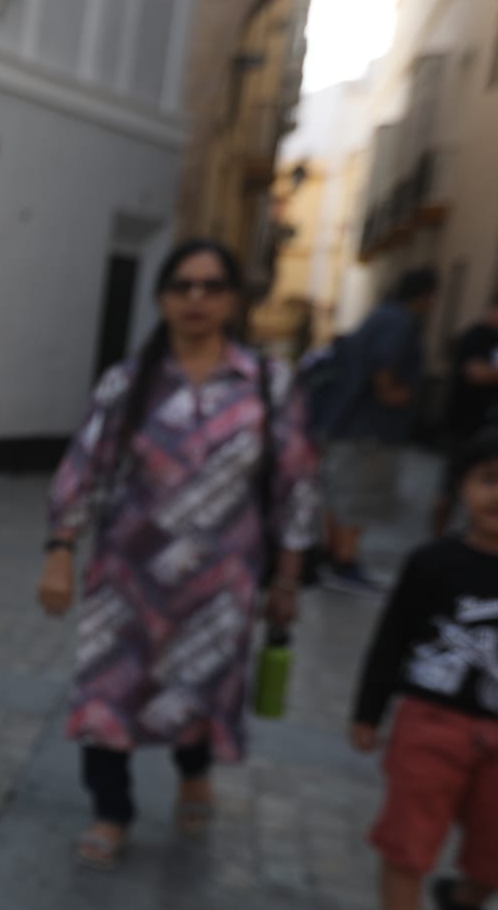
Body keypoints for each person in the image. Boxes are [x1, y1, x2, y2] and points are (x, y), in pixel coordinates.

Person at [39, 239, 320, 870]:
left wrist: (289, 582)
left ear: (233, 299)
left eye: (212, 286)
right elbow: (83, 467)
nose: (196, 298)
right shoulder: (128, 382)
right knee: (108, 691)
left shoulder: (268, 385)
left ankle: (196, 773)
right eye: (182, 286)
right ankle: (112, 811)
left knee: (201, 685)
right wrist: (61, 549)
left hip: (223, 582)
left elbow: (297, 485)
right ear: (163, 298)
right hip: (127, 576)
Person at [351, 427, 498, 910]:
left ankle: (463, 902)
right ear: (462, 486)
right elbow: (392, 639)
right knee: (410, 836)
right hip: (430, 724)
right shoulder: (433, 562)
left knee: (493, 850)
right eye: (489, 479)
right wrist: (369, 710)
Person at [321, 267, 438, 592]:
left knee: (342, 493)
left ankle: (333, 556)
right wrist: (393, 394)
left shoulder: (381, 316)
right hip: (372, 429)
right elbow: (383, 365)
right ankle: (344, 562)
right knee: (359, 496)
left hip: (351, 423)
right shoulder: (399, 322)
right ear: (427, 295)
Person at [430, 293, 498, 536]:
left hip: (488, 430)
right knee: (450, 490)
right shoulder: (476, 336)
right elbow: (476, 373)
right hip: (465, 428)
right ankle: (438, 536)